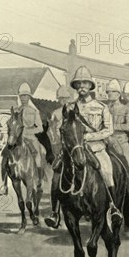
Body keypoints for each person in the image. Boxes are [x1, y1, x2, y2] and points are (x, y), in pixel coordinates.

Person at [69, 66, 122, 222]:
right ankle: (56, 210)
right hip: (75, 150)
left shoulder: (101, 107)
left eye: (85, 83)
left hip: (96, 149)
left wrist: (88, 137)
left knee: (107, 171)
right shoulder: (70, 107)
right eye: (79, 84)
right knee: (58, 172)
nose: (82, 87)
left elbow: (108, 130)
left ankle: (113, 207)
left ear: (91, 86)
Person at [0, 83, 46, 196]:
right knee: (5, 156)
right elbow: (11, 125)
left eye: (26, 96)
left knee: (39, 154)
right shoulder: (16, 111)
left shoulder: (34, 111)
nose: (23, 98)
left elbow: (40, 128)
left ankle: (39, 181)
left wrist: (27, 131)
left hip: (30, 138)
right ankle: (4, 185)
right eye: (22, 96)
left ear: (29, 97)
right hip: (16, 139)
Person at [45, 85, 76, 228]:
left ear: (70, 99)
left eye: (66, 98)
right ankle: (55, 213)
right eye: (61, 98)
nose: (63, 101)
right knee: (55, 181)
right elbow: (51, 133)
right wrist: (56, 147)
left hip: (76, 149)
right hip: (62, 151)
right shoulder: (56, 114)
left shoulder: (75, 112)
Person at [106, 79, 129, 199]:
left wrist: (112, 127)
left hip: (122, 141)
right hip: (106, 141)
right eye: (108, 92)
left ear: (118, 94)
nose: (110, 94)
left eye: (112, 92)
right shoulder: (104, 108)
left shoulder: (126, 109)